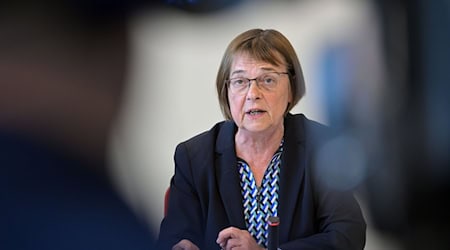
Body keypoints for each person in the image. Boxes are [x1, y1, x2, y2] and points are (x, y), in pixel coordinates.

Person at [157, 28, 366, 250]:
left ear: (291, 89)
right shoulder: (194, 157)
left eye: (267, 79)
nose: (253, 93)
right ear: (226, 92)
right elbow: (172, 238)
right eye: (240, 81)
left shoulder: (322, 147)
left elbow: (347, 235)